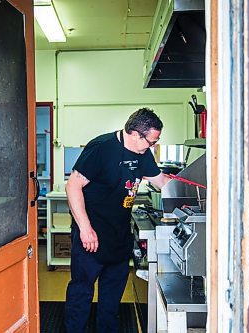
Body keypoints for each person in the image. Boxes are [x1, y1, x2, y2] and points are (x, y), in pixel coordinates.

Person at [64, 107, 171, 332]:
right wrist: (85, 229)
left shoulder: (143, 154)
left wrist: (197, 190)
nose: (152, 147)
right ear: (134, 133)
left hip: (119, 234)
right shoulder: (102, 148)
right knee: (81, 291)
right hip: (91, 234)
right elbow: (73, 185)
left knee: (112, 297)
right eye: (150, 142)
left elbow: (161, 181)